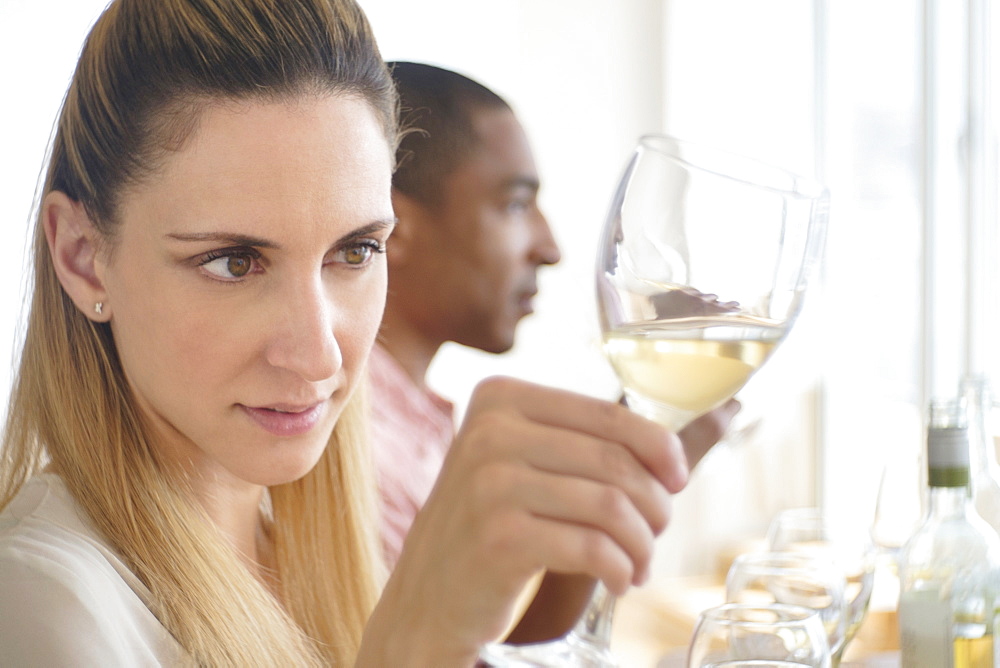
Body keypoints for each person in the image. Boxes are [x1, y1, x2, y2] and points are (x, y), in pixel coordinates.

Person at [0, 2, 690, 665]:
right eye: (233, 262)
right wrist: (415, 643)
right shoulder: (41, 602)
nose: (319, 353)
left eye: (355, 251)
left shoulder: (307, 554)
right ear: (83, 260)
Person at [371, 62, 740, 641]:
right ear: (391, 226)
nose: (550, 248)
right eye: (515, 205)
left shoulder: (408, 421)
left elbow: (470, 651)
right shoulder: (352, 444)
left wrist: (619, 482)